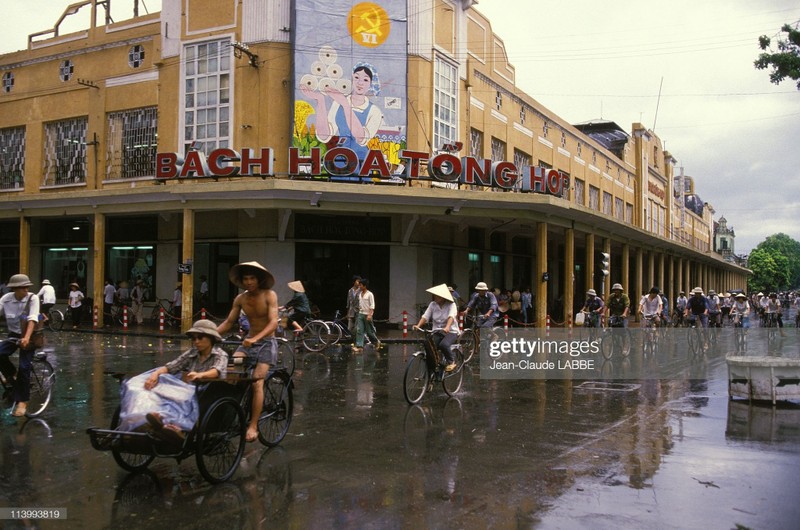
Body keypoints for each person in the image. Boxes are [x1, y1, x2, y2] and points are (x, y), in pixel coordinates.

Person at [123, 320, 228, 444]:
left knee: (180, 395)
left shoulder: (220, 355)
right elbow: (171, 367)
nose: (196, 342)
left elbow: (216, 371)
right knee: (160, 383)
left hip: (207, 391)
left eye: (200, 338)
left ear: (211, 338)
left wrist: (200, 374)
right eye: (193, 339)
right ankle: (150, 419)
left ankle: (177, 427)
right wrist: (155, 374)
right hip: (187, 388)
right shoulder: (192, 353)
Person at [215, 261, 278, 442]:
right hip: (247, 344)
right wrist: (209, 335)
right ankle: (230, 412)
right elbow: (228, 322)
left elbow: (273, 321)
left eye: (252, 278)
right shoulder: (240, 299)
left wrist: (256, 339)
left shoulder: (269, 295)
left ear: (259, 280)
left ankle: (253, 425)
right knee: (231, 374)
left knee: (256, 383)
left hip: (265, 344)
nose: (249, 282)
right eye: (246, 279)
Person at [301, 62, 385, 164]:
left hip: (362, 161)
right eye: (356, 77)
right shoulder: (338, 103)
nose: (360, 83)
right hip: (339, 157)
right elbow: (324, 136)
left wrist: (345, 104)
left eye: (365, 80)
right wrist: (320, 100)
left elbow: (360, 138)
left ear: (371, 84)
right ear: (351, 80)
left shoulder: (374, 111)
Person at [0, 274, 41, 417]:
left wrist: (27, 338)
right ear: (15, 289)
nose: (26, 289)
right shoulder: (6, 299)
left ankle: (23, 401)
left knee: (24, 367)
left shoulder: (33, 298)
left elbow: (32, 319)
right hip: (13, 334)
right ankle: (13, 376)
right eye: (23, 287)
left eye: (27, 286)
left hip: (29, 335)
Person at [414, 283, 460, 372]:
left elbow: (451, 316)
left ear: (443, 297)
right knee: (428, 345)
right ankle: (435, 367)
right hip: (437, 331)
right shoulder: (433, 304)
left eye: (437, 296)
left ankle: (451, 362)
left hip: (451, 331)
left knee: (444, 345)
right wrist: (418, 325)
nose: (435, 297)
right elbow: (425, 316)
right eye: (435, 296)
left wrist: (447, 327)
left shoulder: (451, 305)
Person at [353, 278, 380, 353]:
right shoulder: (360, 294)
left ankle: (376, 341)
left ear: (365, 286)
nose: (359, 287)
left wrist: (370, 315)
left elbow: (372, 305)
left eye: (361, 285)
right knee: (359, 330)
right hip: (361, 314)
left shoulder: (370, 294)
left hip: (367, 314)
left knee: (369, 332)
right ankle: (359, 346)